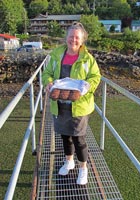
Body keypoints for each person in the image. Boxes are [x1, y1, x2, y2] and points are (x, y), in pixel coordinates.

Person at [42, 22, 101, 185]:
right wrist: (48, 82)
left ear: (82, 40)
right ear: (66, 38)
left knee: (79, 139)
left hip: (79, 105)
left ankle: (83, 169)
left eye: (77, 37)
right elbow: (46, 73)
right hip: (59, 103)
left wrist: (87, 87)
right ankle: (69, 161)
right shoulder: (56, 54)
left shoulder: (88, 59)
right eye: (70, 36)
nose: (73, 40)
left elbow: (95, 77)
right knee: (64, 135)